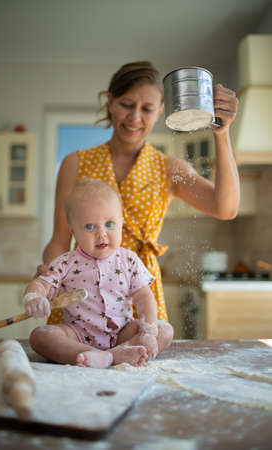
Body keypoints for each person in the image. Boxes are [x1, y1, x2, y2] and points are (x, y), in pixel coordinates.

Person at [41, 61, 240, 325]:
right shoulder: (75, 164)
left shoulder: (168, 168)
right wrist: (50, 277)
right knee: (72, 359)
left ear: (159, 112)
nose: (135, 117)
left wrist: (222, 133)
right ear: (110, 102)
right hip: (83, 293)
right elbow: (59, 240)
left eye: (147, 109)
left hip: (139, 296)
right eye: (126, 104)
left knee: (137, 359)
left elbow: (225, 208)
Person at [24, 179, 174, 368]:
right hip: (77, 335)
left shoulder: (129, 260)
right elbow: (41, 284)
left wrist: (148, 333)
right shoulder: (65, 262)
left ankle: (111, 355)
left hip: (122, 334)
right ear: (73, 231)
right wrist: (34, 297)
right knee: (40, 336)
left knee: (164, 330)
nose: (101, 234)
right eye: (89, 227)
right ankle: (99, 355)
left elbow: (144, 297)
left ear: (122, 223)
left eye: (110, 223)